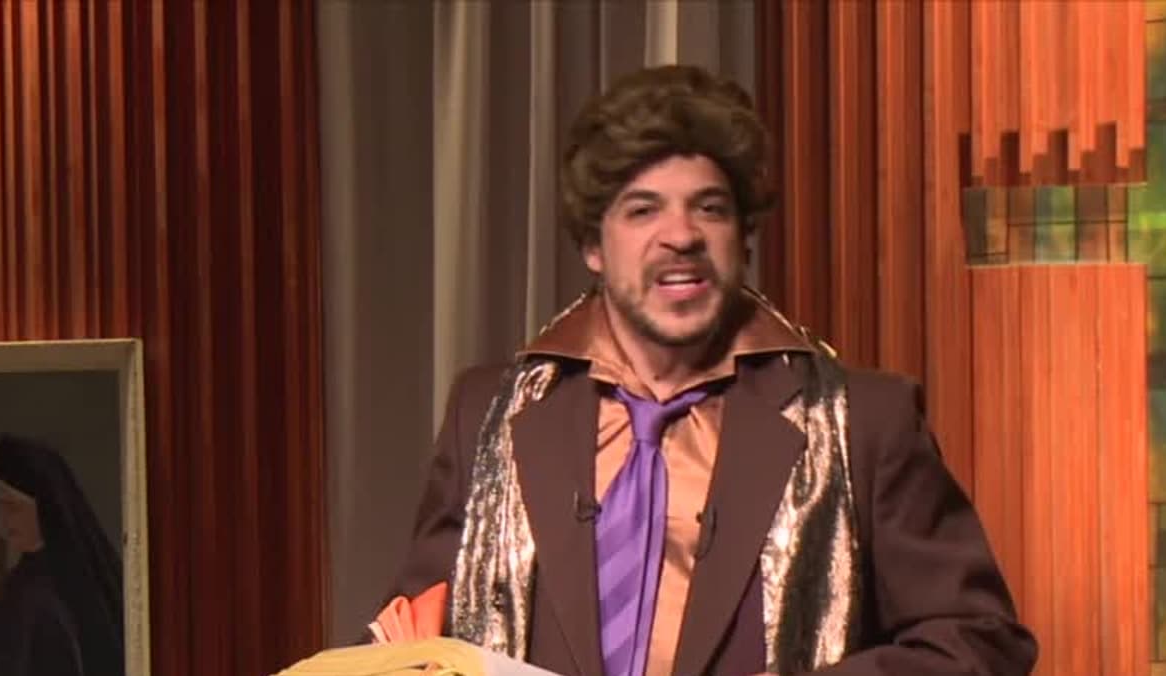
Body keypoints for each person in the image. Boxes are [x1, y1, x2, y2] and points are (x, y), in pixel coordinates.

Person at [374, 64, 1038, 675]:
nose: (682, 235)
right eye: (643, 209)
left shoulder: (865, 423)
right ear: (593, 245)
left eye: (710, 207)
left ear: (742, 236)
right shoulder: (488, 416)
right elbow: (413, 642)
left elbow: (977, 642)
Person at [0, 434, 125, 676]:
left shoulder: (59, 591)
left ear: (46, 507)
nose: (2, 520)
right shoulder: (20, 580)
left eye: (12, 507)